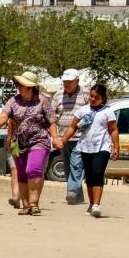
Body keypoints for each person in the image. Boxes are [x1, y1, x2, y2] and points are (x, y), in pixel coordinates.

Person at [0, 71, 54, 215]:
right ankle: (26, 206)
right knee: (21, 173)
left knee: (33, 169)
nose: (18, 86)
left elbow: (51, 121)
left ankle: (34, 203)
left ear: (30, 87)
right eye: (18, 84)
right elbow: (4, 115)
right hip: (18, 143)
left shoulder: (42, 101)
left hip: (39, 141)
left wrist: (55, 137)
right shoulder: (13, 101)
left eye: (21, 84)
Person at [71, 83, 120, 218]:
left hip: (102, 147)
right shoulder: (83, 110)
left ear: (103, 98)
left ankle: (97, 205)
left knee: (98, 173)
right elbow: (73, 127)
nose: (93, 99)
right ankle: (92, 204)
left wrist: (116, 146)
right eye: (91, 96)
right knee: (90, 176)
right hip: (85, 146)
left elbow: (113, 130)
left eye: (96, 97)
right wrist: (63, 140)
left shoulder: (107, 112)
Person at [52, 68, 85, 206]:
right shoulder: (57, 96)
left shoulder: (87, 94)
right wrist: (54, 136)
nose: (67, 84)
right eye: (65, 82)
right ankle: (78, 196)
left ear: (77, 81)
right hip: (62, 137)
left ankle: (71, 192)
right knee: (68, 167)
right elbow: (52, 117)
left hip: (81, 137)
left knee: (76, 165)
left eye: (70, 82)